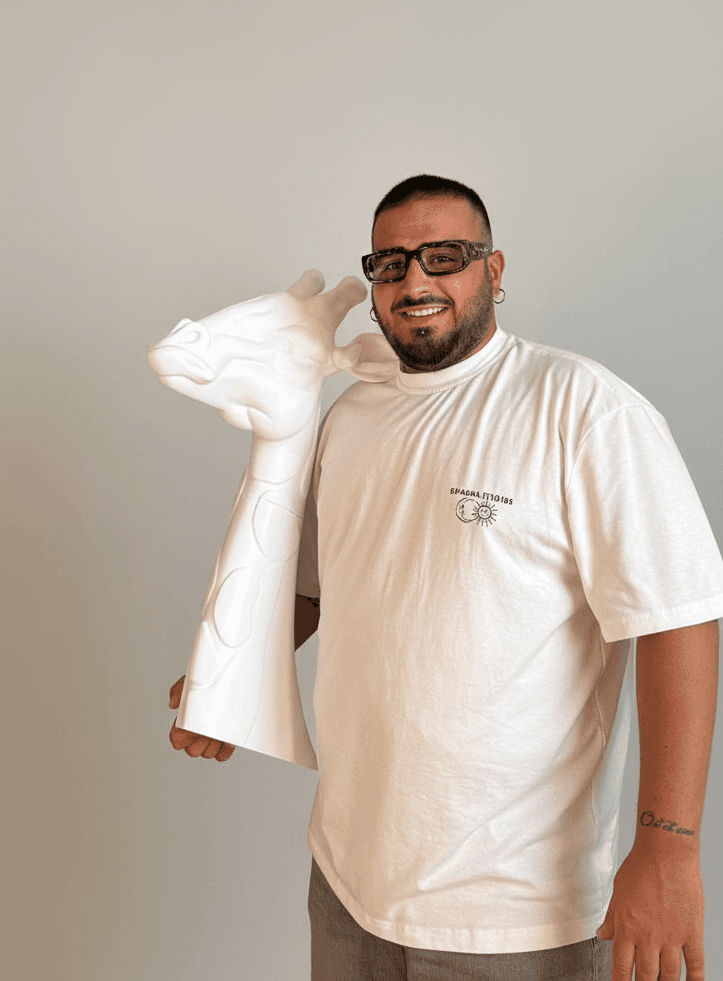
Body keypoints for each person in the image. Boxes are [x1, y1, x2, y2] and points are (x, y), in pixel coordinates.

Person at [169, 174, 723, 981]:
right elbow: (313, 588)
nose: (414, 281)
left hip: (518, 916)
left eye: (444, 256)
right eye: (390, 264)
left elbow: (678, 619)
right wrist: (229, 679)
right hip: (348, 886)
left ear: (493, 270)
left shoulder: (583, 409)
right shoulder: (351, 417)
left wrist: (668, 851)